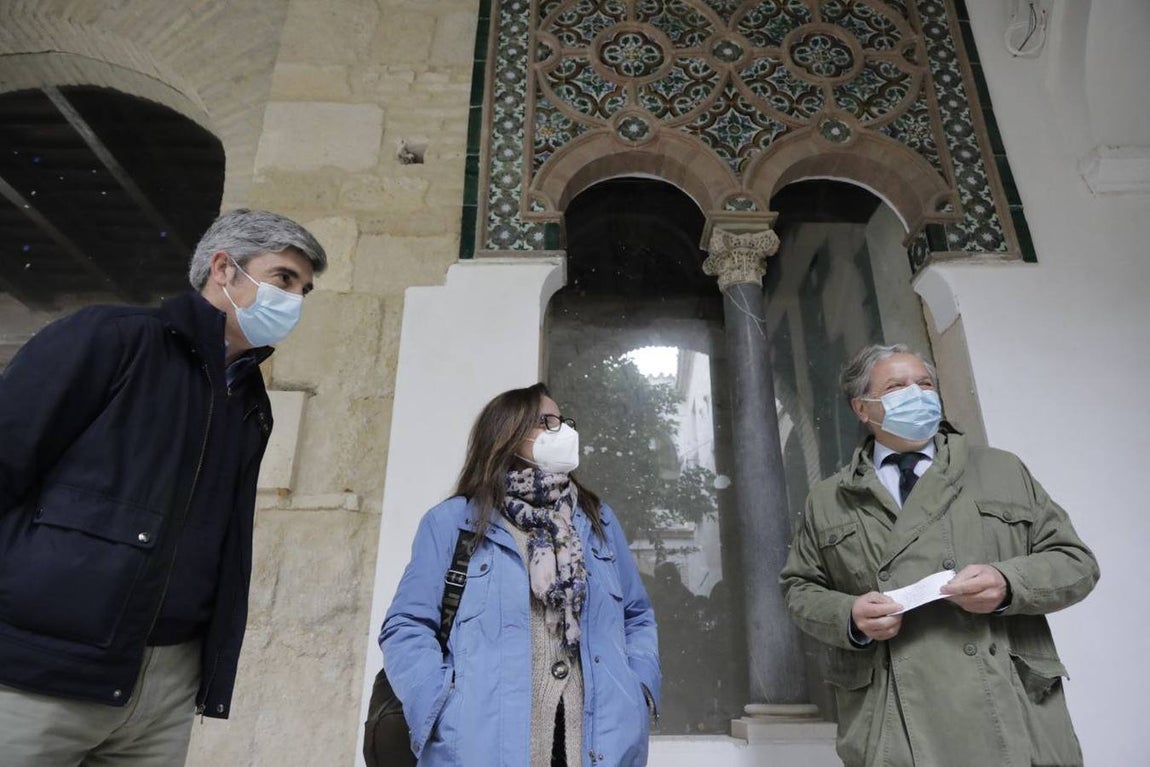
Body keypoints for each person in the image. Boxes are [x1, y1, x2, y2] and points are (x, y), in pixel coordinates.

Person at [0, 209, 326, 764]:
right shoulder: (112, 339)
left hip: (165, 687)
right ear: (224, 268)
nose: (295, 300)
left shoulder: (250, 404)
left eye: (305, 289)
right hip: (41, 668)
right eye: (283, 279)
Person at [780, 343, 1099, 767]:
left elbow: (1076, 563)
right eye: (897, 387)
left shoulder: (1001, 470)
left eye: (925, 383)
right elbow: (800, 589)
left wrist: (1008, 584)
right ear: (863, 407)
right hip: (893, 721)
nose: (917, 394)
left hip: (1009, 708)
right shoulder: (829, 499)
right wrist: (850, 615)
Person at [380, 383, 661, 766]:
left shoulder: (598, 520)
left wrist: (638, 693)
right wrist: (441, 709)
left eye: (563, 422)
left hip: (600, 746)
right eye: (548, 422)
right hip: (484, 748)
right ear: (507, 434)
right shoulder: (453, 523)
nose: (562, 431)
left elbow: (636, 615)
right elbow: (406, 626)